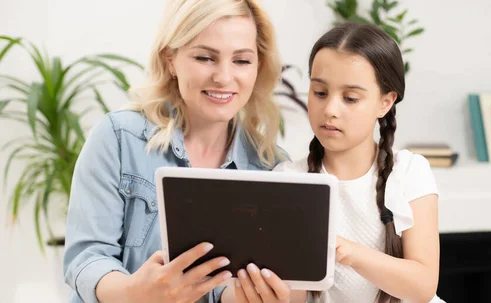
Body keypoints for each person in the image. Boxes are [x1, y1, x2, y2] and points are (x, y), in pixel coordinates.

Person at [63, 0, 299, 302]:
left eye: (241, 61)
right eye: (205, 57)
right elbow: (86, 258)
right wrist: (133, 294)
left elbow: (231, 288)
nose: (224, 77)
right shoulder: (119, 138)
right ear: (170, 59)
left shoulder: (272, 168)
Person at [274, 22, 446, 303]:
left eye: (350, 98)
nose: (330, 110)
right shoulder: (289, 178)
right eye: (319, 93)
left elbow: (423, 287)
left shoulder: (410, 172)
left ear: (385, 102)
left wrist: (348, 252)